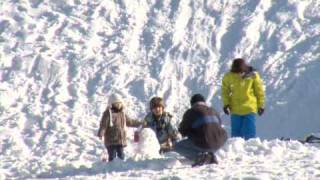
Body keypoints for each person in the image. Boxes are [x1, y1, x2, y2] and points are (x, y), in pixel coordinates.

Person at [175, 94, 228, 167]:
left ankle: (200, 157)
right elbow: (218, 125)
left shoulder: (191, 112)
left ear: (192, 103)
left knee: (177, 146)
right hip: (219, 142)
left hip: (205, 142)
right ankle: (209, 154)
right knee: (204, 139)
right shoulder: (213, 110)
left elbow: (182, 131)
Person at [222, 58, 265, 140]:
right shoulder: (229, 76)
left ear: (244, 69)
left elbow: (259, 91)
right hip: (235, 109)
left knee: (250, 132)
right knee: (236, 135)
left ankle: (250, 148)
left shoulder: (253, 76)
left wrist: (261, 105)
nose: (239, 74)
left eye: (240, 72)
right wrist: (226, 104)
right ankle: (236, 150)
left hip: (249, 107)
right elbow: (225, 91)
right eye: (236, 72)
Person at [97, 93, 142, 162]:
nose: (118, 105)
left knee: (121, 154)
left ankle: (120, 166)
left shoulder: (122, 114)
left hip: (120, 139)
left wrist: (140, 123)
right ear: (111, 104)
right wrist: (101, 133)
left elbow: (130, 122)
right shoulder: (108, 114)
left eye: (119, 103)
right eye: (116, 104)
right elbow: (103, 125)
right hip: (111, 140)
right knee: (112, 154)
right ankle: (111, 166)